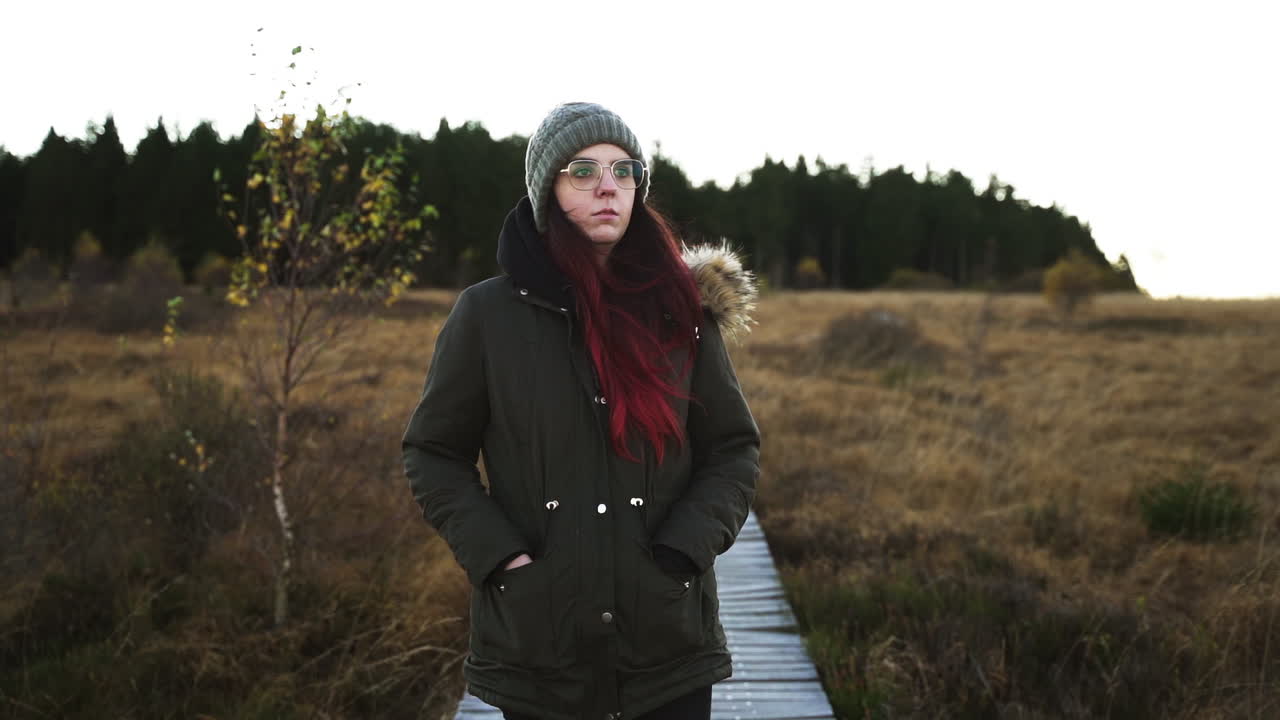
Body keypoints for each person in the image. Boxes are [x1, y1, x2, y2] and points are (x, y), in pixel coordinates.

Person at [401, 101, 760, 720]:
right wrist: (500, 558)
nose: (607, 188)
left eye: (625, 172)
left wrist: (685, 551)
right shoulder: (487, 316)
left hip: (665, 639)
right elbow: (433, 453)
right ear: (547, 189)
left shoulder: (680, 311)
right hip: (542, 642)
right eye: (582, 170)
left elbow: (733, 447)